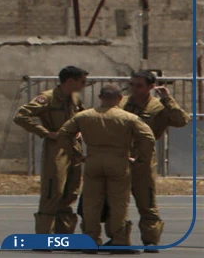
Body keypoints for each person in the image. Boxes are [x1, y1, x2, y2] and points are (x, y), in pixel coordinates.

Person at [56, 85, 155, 254]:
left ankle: (91, 239)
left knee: (91, 203)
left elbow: (64, 133)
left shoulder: (84, 116)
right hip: (119, 160)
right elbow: (148, 137)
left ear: (100, 97)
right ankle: (120, 240)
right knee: (119, 203)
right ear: (119, 98)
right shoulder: (129, 118)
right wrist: (140, 158)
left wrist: (76, 154)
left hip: (93, 159)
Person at [119, 71, 190, 250]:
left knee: (147, 201)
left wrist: (168, 99)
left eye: (139, 85)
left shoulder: (158, 107)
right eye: (132, 84)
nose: (134, 89)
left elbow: (181, 120)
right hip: (119, 156)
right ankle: (119, 239)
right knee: (116, 201)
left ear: (151, 87)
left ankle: (150, 239)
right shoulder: (121, 102)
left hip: (143, 158)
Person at [14, 65, 87, 235]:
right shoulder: (48, 98)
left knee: (70, 192)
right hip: (57, 148)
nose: (84, 85)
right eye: (81, 81)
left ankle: (65, 236)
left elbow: (83, 117)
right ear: (70, 81)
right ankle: (45, 235)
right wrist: (46, 133)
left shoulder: (75, 98)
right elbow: (21, 116)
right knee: (53, 191)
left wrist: (81, 131)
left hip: (74, 149)